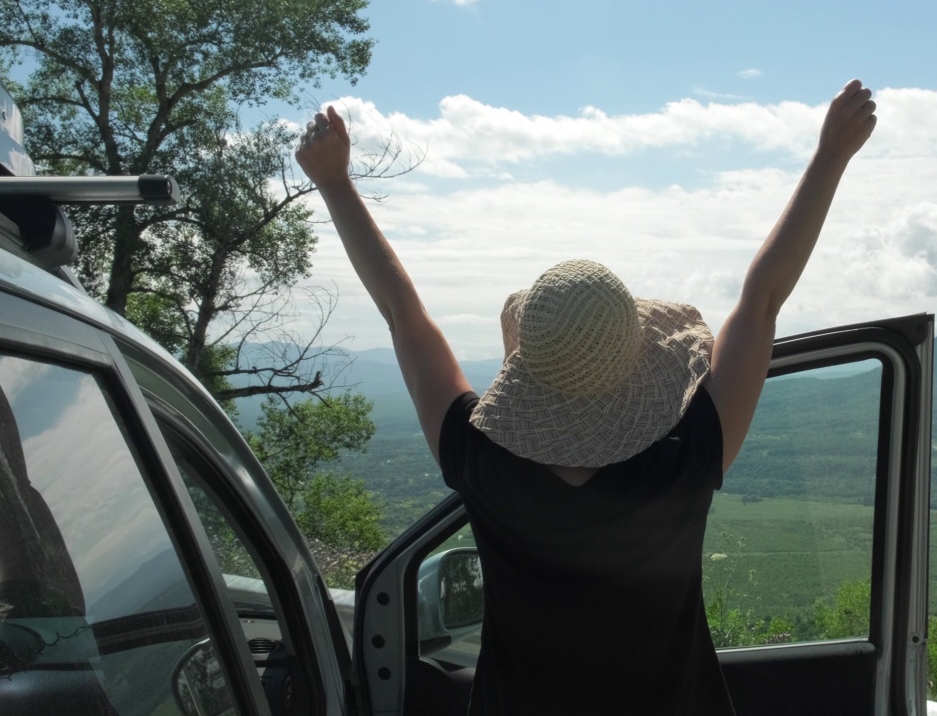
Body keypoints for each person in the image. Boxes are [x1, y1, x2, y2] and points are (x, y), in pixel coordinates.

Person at [296, 78, 877, 715]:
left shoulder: (482, 459)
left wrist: (336, 185)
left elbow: (403, 317)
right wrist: (830, 157)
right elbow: (762, 300)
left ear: (529, 364)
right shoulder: (685, 456)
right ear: (637, 360)